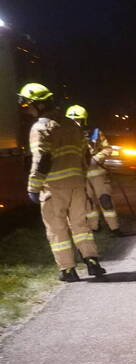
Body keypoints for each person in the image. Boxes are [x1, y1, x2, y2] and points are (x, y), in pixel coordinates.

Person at [18, 83, 106, 282]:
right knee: (80, 225)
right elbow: (85, 155)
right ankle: (92, 261)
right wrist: (81, 178)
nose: (28, 110)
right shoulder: (71, 125)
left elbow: (42, 160)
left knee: (57, 229)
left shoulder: (40, 128)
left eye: (28, 105)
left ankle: (68, 270)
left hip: (53, 188)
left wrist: (33, 187)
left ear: (38, 105)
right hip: (76, 185)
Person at [65, 105, 121, 235]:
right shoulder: (65, 136)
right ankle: (94, 227)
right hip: (80, 176)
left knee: (105, 200)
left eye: (77, 120)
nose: (75, 123)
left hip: (98, 174)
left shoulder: (95, 133)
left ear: (84, 120)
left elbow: (108, 149)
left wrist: (96, 158)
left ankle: (114, 228)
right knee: (87, 203)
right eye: (71, 120)